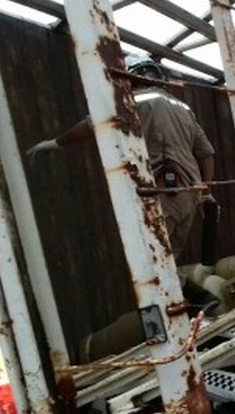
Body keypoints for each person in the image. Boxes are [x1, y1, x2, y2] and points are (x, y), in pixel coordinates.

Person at [28, 54, 215, 264]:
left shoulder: (132, 101)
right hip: (188, 197)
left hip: (162, 192)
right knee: (170, 259)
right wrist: (205, 190)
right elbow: (207, 153)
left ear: (131, 77)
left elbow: (93, 125)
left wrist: (55, 143)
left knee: (153, 261)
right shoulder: (183, 108)